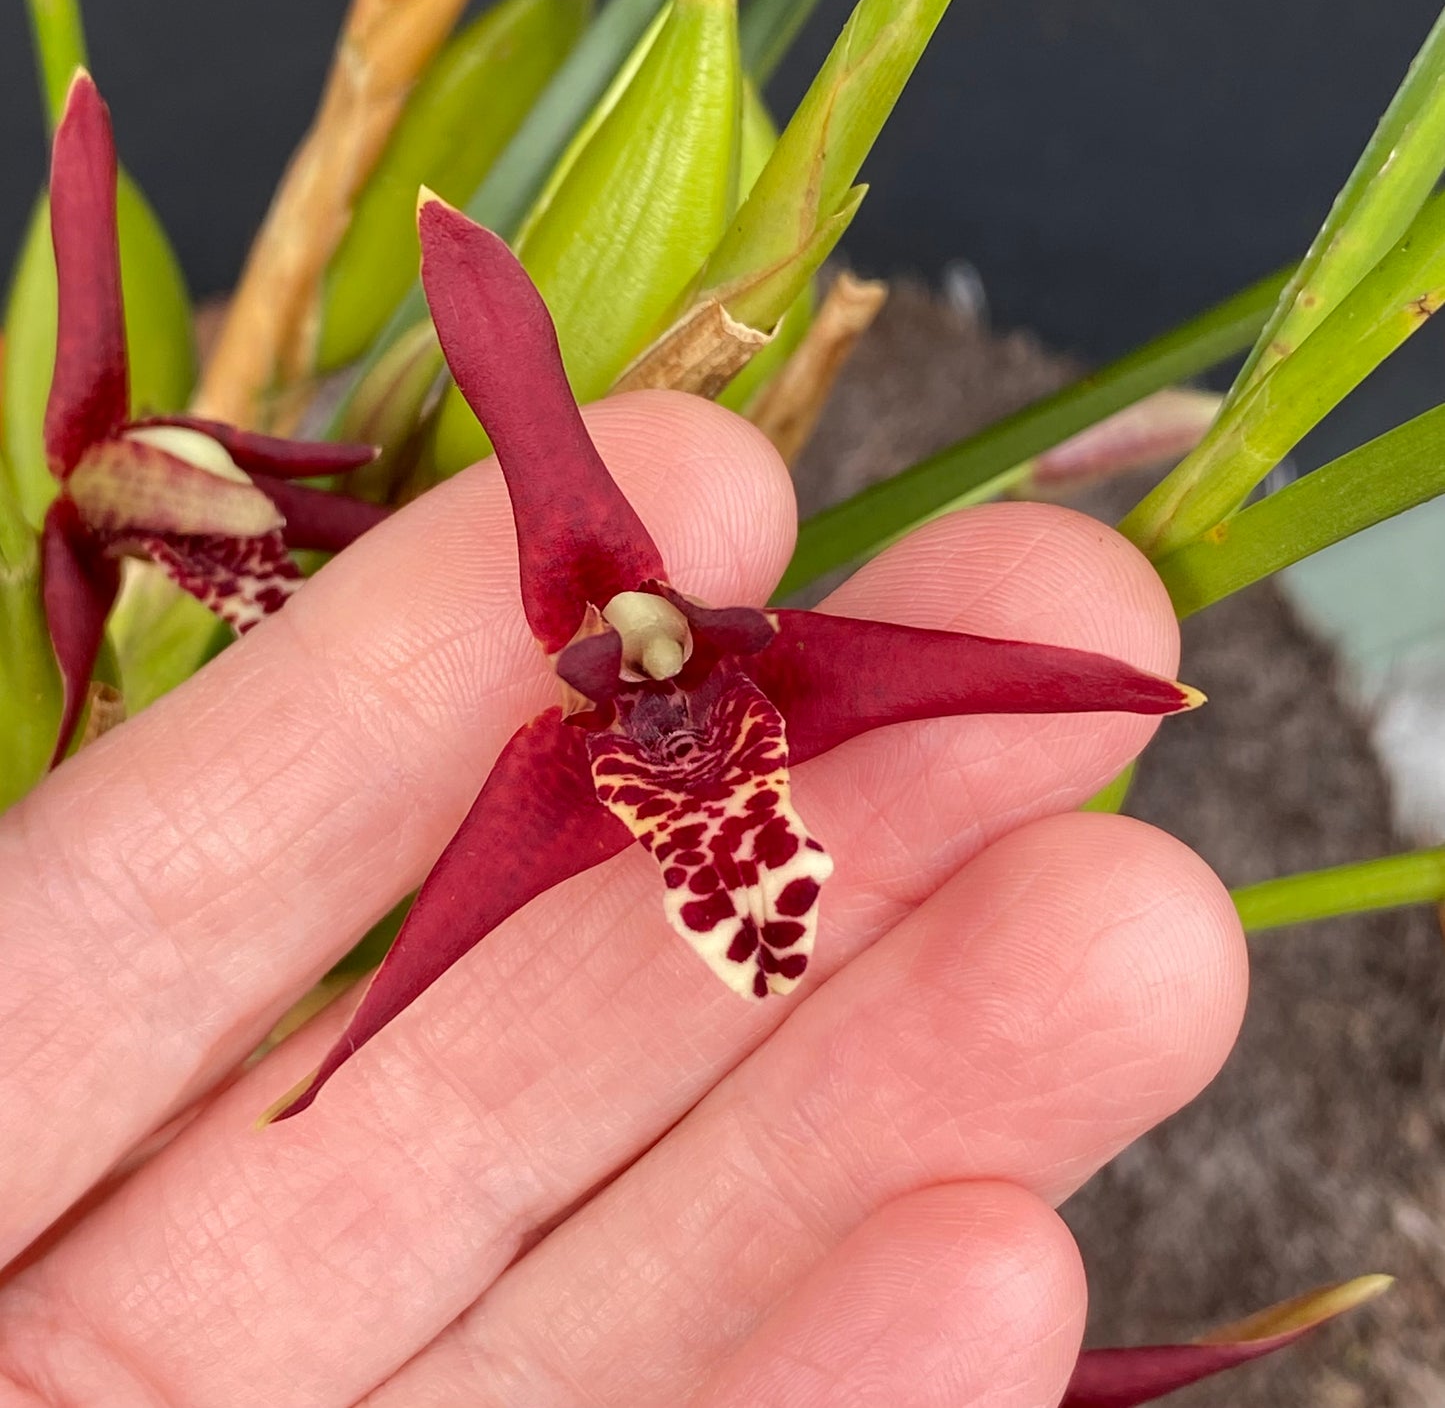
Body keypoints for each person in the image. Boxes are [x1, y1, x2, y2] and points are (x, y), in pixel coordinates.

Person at [0, 394, 1245, 1406]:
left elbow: (937, 667)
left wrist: (1068, 680)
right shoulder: (553, 765)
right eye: (628, 667)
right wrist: (348, 1048)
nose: (651, 675)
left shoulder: (757, 675)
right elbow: (450, 916)